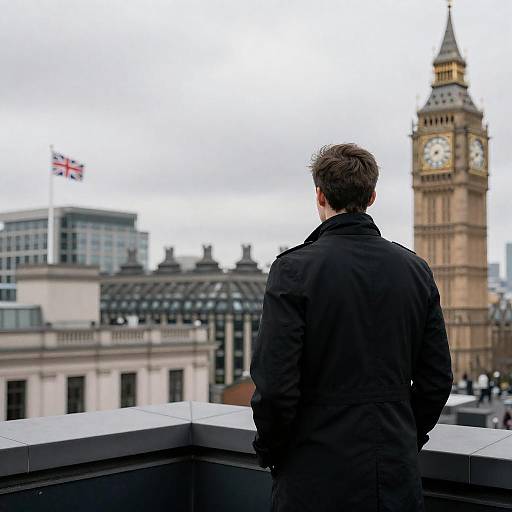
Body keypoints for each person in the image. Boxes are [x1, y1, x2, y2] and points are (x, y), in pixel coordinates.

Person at [250, 143, 453, 511]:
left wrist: (273, 451)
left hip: (313, 474)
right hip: (394, 475)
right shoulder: (415, 269)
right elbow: (437, 379)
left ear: (320, 195)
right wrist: (404, 437)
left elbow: (275, 386)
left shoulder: (293, 269)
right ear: (372, 196)